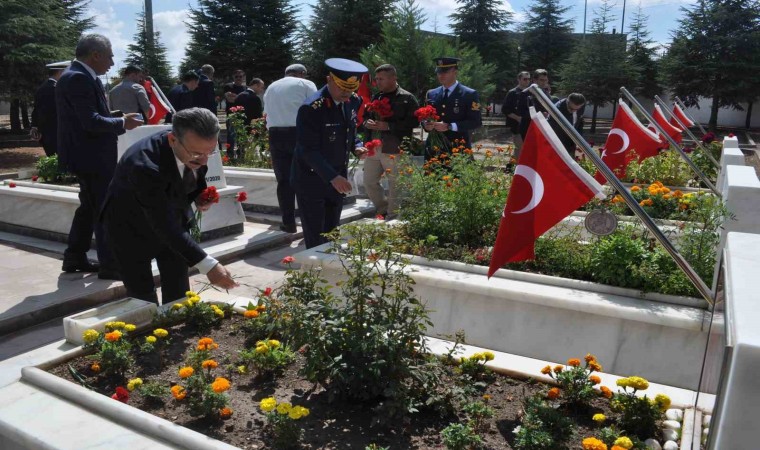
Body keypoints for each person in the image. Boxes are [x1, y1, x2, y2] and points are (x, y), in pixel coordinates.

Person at [102, 108, 239, 304]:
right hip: (130, 228)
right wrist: (208, 265)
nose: (204, 160)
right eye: (196, 153)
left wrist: (197, 195)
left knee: (178, 290)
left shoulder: (193, 147)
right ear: (173, 140)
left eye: (210, 152)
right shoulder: (144, 166)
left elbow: (187, 177)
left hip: (170, 223)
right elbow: (163, 223)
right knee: (142, 298)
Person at [56, 34, 143, 279]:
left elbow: (88, 115)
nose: (112, 63)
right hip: (91, 156)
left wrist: (115, 115)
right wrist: (121, 122)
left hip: (87, 154)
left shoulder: (78, 76)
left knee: (89, 207)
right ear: (95, 55)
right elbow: (90, 122)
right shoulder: (78, 78)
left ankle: (74, 257)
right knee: (104, 209)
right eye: (110, 56)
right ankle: (112, 265)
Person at [291, 58, 368, 248]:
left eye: (351, 89)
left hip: (337, 176)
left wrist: (356, 146)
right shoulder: (312, 108)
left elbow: (349, 130)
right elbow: (307, 149)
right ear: (329, 80)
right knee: (316, 234)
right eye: (342, 87)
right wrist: (332, 177)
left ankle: (329, 265)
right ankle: (315, 272)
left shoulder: (353, 101)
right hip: (312, 179)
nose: (346, 93)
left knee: (332, 231)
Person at [263, 64, 317, 233]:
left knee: (284, 181)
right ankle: (309, 223)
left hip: (275, 135)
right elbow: (316, 108)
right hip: (299, 134)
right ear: (301, 74)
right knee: (305, 178)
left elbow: (266, 114)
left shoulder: (271, 87)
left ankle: (288, 222)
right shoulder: (305, 84)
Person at [363, 64, 419, 219]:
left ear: (393, 78)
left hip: (395, 147)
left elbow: (414, 123)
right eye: (376, 79)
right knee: (369, 181)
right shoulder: (377, 97)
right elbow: (366, 117)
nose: (377, 82)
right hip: (375, 147)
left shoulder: (407, 98)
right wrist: (367, 123)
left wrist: (389, 126)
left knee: (395, 184)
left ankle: (393, 216)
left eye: (381, 79)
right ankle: (383, 209)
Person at [423, 57, 482, 158]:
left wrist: (449, 126)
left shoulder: (469, 94)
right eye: (439, 72)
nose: (441, 75)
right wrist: (426, 125)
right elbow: (425, 116)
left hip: (458, 148)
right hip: (434, 149)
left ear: (455, 72)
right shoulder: (431, 94)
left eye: (445, 72)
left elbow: (476, 121)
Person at [30, 61, 69, 157]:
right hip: (56, 135)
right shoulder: (54, 89)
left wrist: (35, 126)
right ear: (61, 72)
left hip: (49, 136)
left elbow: (36, 110)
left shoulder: (43, 87)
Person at [501, 71, 530, 159]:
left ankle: (511, 168)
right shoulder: (512, 93)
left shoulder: (530, 93)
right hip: (517, 126)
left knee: (525, 149)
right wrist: (517, 118)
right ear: (519, 79)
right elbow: (505, 109)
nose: (527, 81)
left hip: (528, 125)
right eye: (525, 79)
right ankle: (514, 169)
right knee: (519, 149)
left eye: (529, 79)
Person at [517, 69, 550, 140]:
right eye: (541, 80)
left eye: (546, 80)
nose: (544, 82)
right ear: (535, 80)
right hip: (528, 128)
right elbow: (521, 112)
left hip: (543, 127)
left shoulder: (546, 93)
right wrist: (539, 115)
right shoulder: (525, 93)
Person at [223, 69, 248, 158]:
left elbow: (245, 102)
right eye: (236, 76)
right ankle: (230, 156)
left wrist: (235, 97)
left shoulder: (246, 88)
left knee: (242, 136)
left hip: (243, 115)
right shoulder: (228, 86)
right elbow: (230, 99)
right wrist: (241, 98)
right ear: (233, 77)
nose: (238, 78)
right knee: (231, 136)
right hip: (231, 115)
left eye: (240, 76)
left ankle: (241, 155)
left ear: (243, 77)